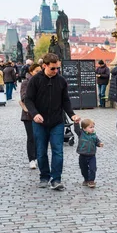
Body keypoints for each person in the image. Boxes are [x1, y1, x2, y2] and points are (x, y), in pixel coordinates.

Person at [24, 53, 81, 190]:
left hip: (57, 121)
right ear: (44, 66)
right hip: (39, 122)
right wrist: (34, 114)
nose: (56, 71)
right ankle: (44, 176)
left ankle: (56, 179)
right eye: (53, 68)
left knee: (58, 151)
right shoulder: (35, 80)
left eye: (57, 69)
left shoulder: (61, 81)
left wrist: (72, 115)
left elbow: (65, 100)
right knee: (41, 151)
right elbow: (28, 100)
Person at [20, 63, 42, 169]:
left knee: (39, 137)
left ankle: (38, 157)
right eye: (37, 71)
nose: (39, 73)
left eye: (40, 71)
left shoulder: (43, 81)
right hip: (28, 114)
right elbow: (24, 97)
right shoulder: (26, 82)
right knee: (31, 137)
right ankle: (32, 159)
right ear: (31, 71)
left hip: (41, 113)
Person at [73, 118, 104, 188]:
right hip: (82, 155)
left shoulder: (94, 135)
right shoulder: (81, 133)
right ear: (84, 128)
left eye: (93, 127)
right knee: (83, 169)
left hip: (92, 155)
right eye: (90, 127)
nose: (92, 129)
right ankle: (86, 179)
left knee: (93, 168)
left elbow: (97, 141)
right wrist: (76, 123)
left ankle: (91, 181)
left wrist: (99, 144)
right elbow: (76, 129)